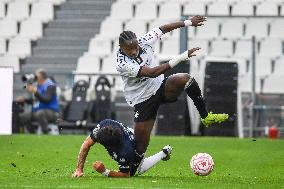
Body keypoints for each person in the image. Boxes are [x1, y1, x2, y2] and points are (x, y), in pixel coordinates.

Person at [115, 16, 229, 159]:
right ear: (121, 48)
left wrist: (188, 22)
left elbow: (164, 28)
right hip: (142, 100)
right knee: (140, 148)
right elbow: (151, 73)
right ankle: (138, 162)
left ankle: (205, 116)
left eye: (135, 47)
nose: (133, 51)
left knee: (185, 79)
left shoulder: (144, 40)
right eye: (129, 49)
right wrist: (181, 57)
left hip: (160, 87)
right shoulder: (121, 63)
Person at [72, 119, 172, 178]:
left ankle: (164, 152)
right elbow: (86, 144)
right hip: (131, 134)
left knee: (136, 171)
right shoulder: (105, 124)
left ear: (110, 146)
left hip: (137, 146)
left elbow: (125, 175)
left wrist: (105, 171)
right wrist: (79, 169)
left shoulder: (126, 152)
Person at [17, 69, 59, 134]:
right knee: (23, 116)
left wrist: (35, 92)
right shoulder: (38, 85)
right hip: (37, 111)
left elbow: (46, 100)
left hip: (51, 111)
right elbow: (36, 101)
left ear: (42, 76)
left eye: (36, 75)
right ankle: (33, 134)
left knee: (40, 114)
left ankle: (46, 133)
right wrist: (24, 100)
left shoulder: (50, 85)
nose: (34, 76)